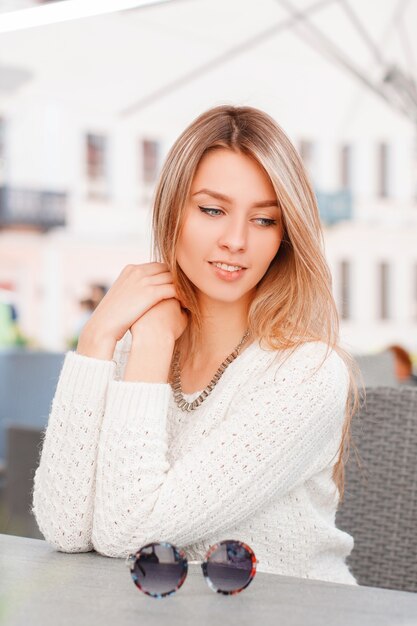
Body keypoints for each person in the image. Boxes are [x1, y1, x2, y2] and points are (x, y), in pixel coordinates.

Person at [31, 104, 359, 585]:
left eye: (264, 220)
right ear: (172, 213)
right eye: (212, 210)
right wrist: (96, 339)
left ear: (285, 237)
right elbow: (63, 528)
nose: (236, 240)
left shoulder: (306, 372)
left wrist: (153, 343)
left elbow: (128, 534)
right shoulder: (136, 351)